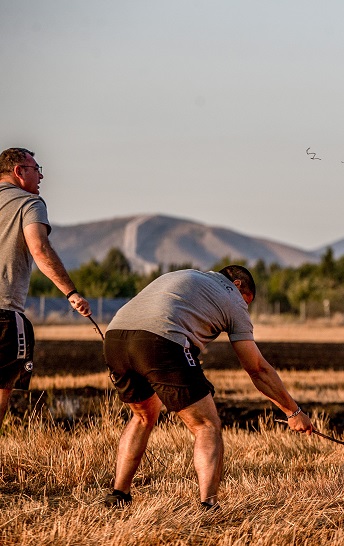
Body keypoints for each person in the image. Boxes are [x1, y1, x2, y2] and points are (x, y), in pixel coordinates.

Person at [102, 265, 313, 509]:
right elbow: (257, 368)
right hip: (161, 341)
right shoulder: (232, 297)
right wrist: (293, 412)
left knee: (142, 417)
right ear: (238, 285)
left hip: (115, 338)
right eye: (247, 302)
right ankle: (209, 506)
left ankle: (119, 494)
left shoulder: (184, 276)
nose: (245, 309)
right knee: (206, 425)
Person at [0, 147, 91, 424]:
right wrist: (71, 293)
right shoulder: (29, 203)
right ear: (19, 171)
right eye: (36, 169)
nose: (40, 176)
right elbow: (39, 248)